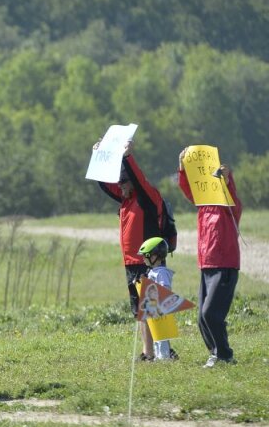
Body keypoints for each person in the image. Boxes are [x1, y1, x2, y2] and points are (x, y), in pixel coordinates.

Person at [96, 140, 167, 361]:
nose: (120, 186)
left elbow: (139, 179)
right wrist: (100, 157)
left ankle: (163, 351)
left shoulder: (147, 197)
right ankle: (149, 353)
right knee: (139, 310)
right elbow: (105, 185)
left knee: (153, 307)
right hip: (130, 262)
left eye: (124, 182)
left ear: (132, 182)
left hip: (148, 260)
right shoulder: (125, 199)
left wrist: (128, 157)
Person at [177, 147, 243, 368]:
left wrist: (228, 178)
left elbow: (235, 201)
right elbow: (187, 189)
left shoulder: (228, 209)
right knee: (201, 318)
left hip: (225, 266)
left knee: (210, 313)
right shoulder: (204, 206)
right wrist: (182, 167)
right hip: (206, 265)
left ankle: (225, 354)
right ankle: (215, 353)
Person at [137, 236, 181, 361]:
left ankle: (165, 357)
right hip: (153, 310)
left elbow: (164, 289)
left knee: (161, 336)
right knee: (156, 334)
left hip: (160, 310)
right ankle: (158, 355)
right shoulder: (153, 271)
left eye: (145, 256)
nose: (143, 259)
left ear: (154, 256)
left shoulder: (161, 273)